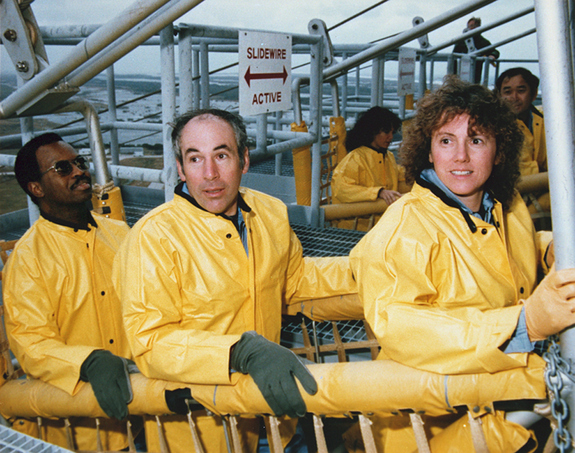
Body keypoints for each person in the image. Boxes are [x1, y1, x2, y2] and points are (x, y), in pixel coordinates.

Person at [348, 76, 575, 451]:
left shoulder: (506, 204)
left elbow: (505, 250)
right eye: (446, 141)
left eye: (477, 140)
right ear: (429, 150)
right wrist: (524, 323)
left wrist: (550, 248)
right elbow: (402, 325)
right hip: (430, 429)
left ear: (499, 150)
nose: (460, 157)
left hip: (497, 406)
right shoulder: (404, 227)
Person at [113, 108, 357, 453]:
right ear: (180, 168)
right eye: (195, 159)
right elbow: (150, 343)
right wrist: (237, 352)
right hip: (202, 427)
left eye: (221, 155)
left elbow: (295, 279)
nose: (210, 174)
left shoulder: (269, 213)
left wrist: (367, 270)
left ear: (243, 160)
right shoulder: (153, 238)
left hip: (272, 415)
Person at [3, 133, 134, 451]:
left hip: (143, 408)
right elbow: (31, 344)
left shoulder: (121, 234)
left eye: (79, 162)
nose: (79, 171)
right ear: (36, 188)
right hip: (82, 428)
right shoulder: (29, 258)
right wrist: (87, 361)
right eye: (62, 168)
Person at [330, 106, 410, 231]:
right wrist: (378, 192)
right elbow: (342, 190)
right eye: (386, 131)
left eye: (392, 132)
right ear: (372, 131)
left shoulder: (387, 156)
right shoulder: (354, 159)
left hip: (377, 228)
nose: (390, 137)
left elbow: (400, 175)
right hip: (353, 230)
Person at [496, 67, 549, 215]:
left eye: (521, 90)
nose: (514, 97)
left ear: (533, 94)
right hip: (511, 198)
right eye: (507, 92)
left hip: (544, 191)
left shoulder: (546, 122)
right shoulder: (493, 128)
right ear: (499, 97)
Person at [452, 17, 499, 83]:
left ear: (478, 27)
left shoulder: (482, 42)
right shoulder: (461, 41)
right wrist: (453, 75)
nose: (469, 28)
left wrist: (492, 56)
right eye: (469, 26)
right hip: (460, 72)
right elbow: (453, 56)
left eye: (472, 26)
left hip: (476, 72)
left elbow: (495, 51)